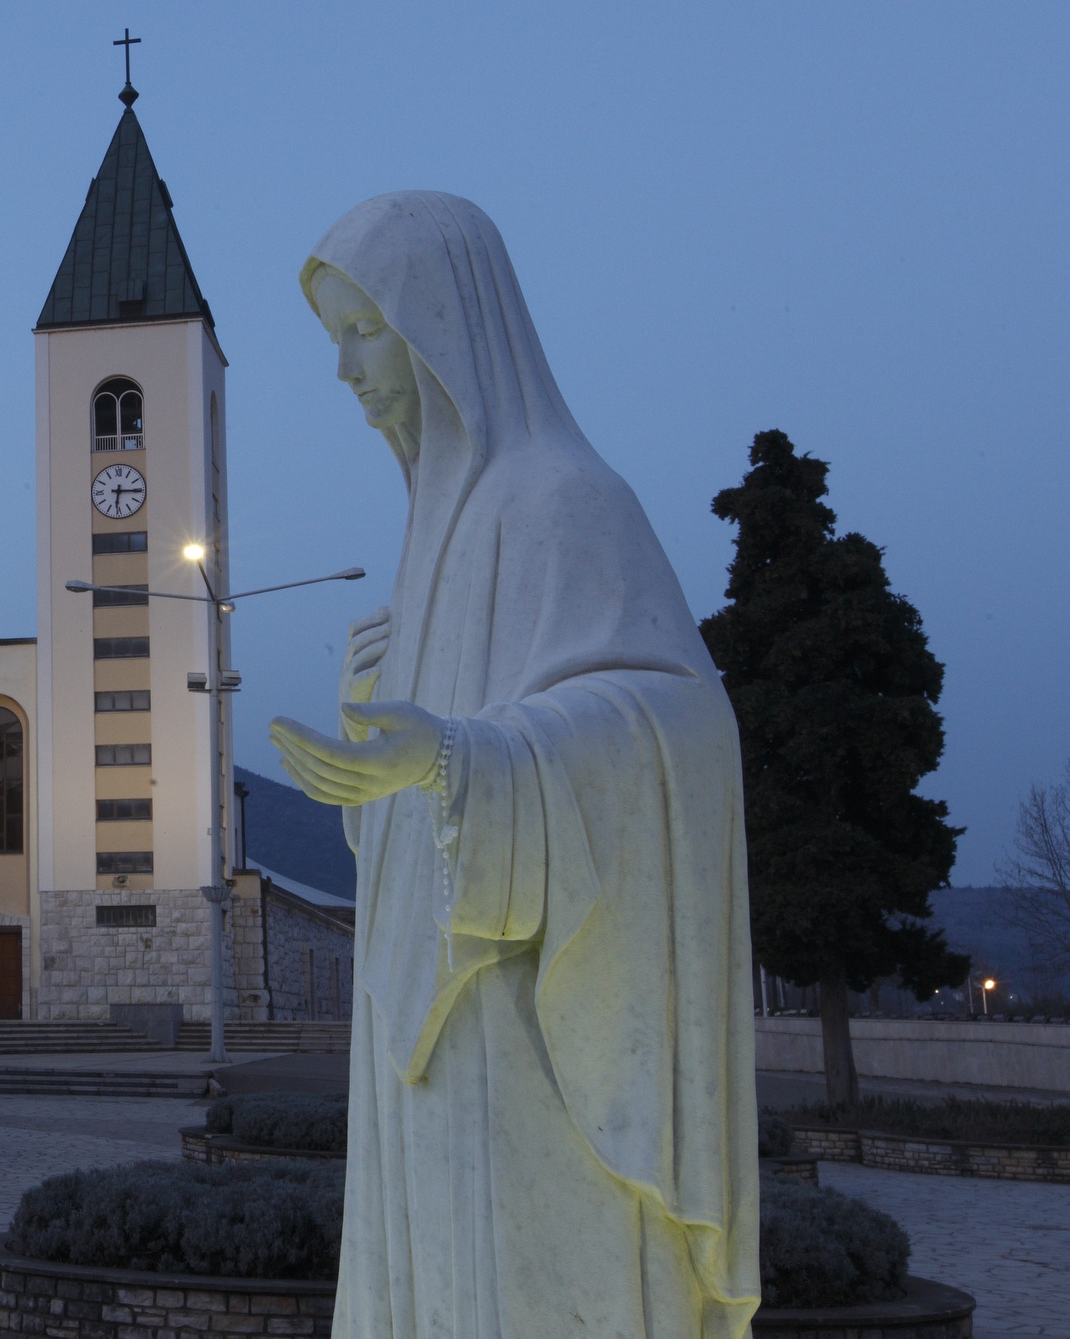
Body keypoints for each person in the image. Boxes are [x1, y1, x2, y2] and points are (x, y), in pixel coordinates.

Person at [272, 192, 759, 1339]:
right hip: (425, 1044)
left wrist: (459, 757)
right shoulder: (433, 531)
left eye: (361, 329)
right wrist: (382, 756)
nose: (342, 369)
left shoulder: (563, 501)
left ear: (442, 325)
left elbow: (678, 728)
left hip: (526, 1040)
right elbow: (421, 814)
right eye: (332, 337)